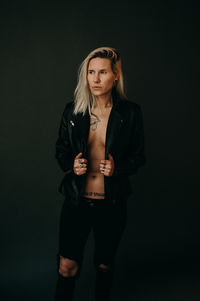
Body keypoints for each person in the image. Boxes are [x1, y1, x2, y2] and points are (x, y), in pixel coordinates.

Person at [54, 46, 145, 301]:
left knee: (104, 265)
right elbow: (60, 150)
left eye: (102, 72)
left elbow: (139, 157)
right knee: (66, 266)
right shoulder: (73, 111)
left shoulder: (130, 113)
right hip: (76, 201)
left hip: (112, 203)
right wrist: (72, 165)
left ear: (116, 75)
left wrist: (118, 169)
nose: (95, 79)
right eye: (90, 72)